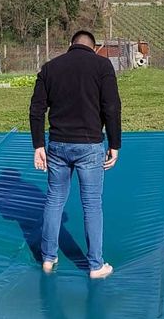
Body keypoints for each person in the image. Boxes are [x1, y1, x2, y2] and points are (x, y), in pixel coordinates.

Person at [29, 30, 121, 279]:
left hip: (57, 144)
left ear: (71, 46)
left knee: (54, 199)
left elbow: (36, 109)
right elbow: (111, 107)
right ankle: (95, 265)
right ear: (94, 48)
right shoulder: (102, 66)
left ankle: (48, 258)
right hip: (90, 145)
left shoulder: (50, 68)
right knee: (91, 204)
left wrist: (39, 145)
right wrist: (115, 143)